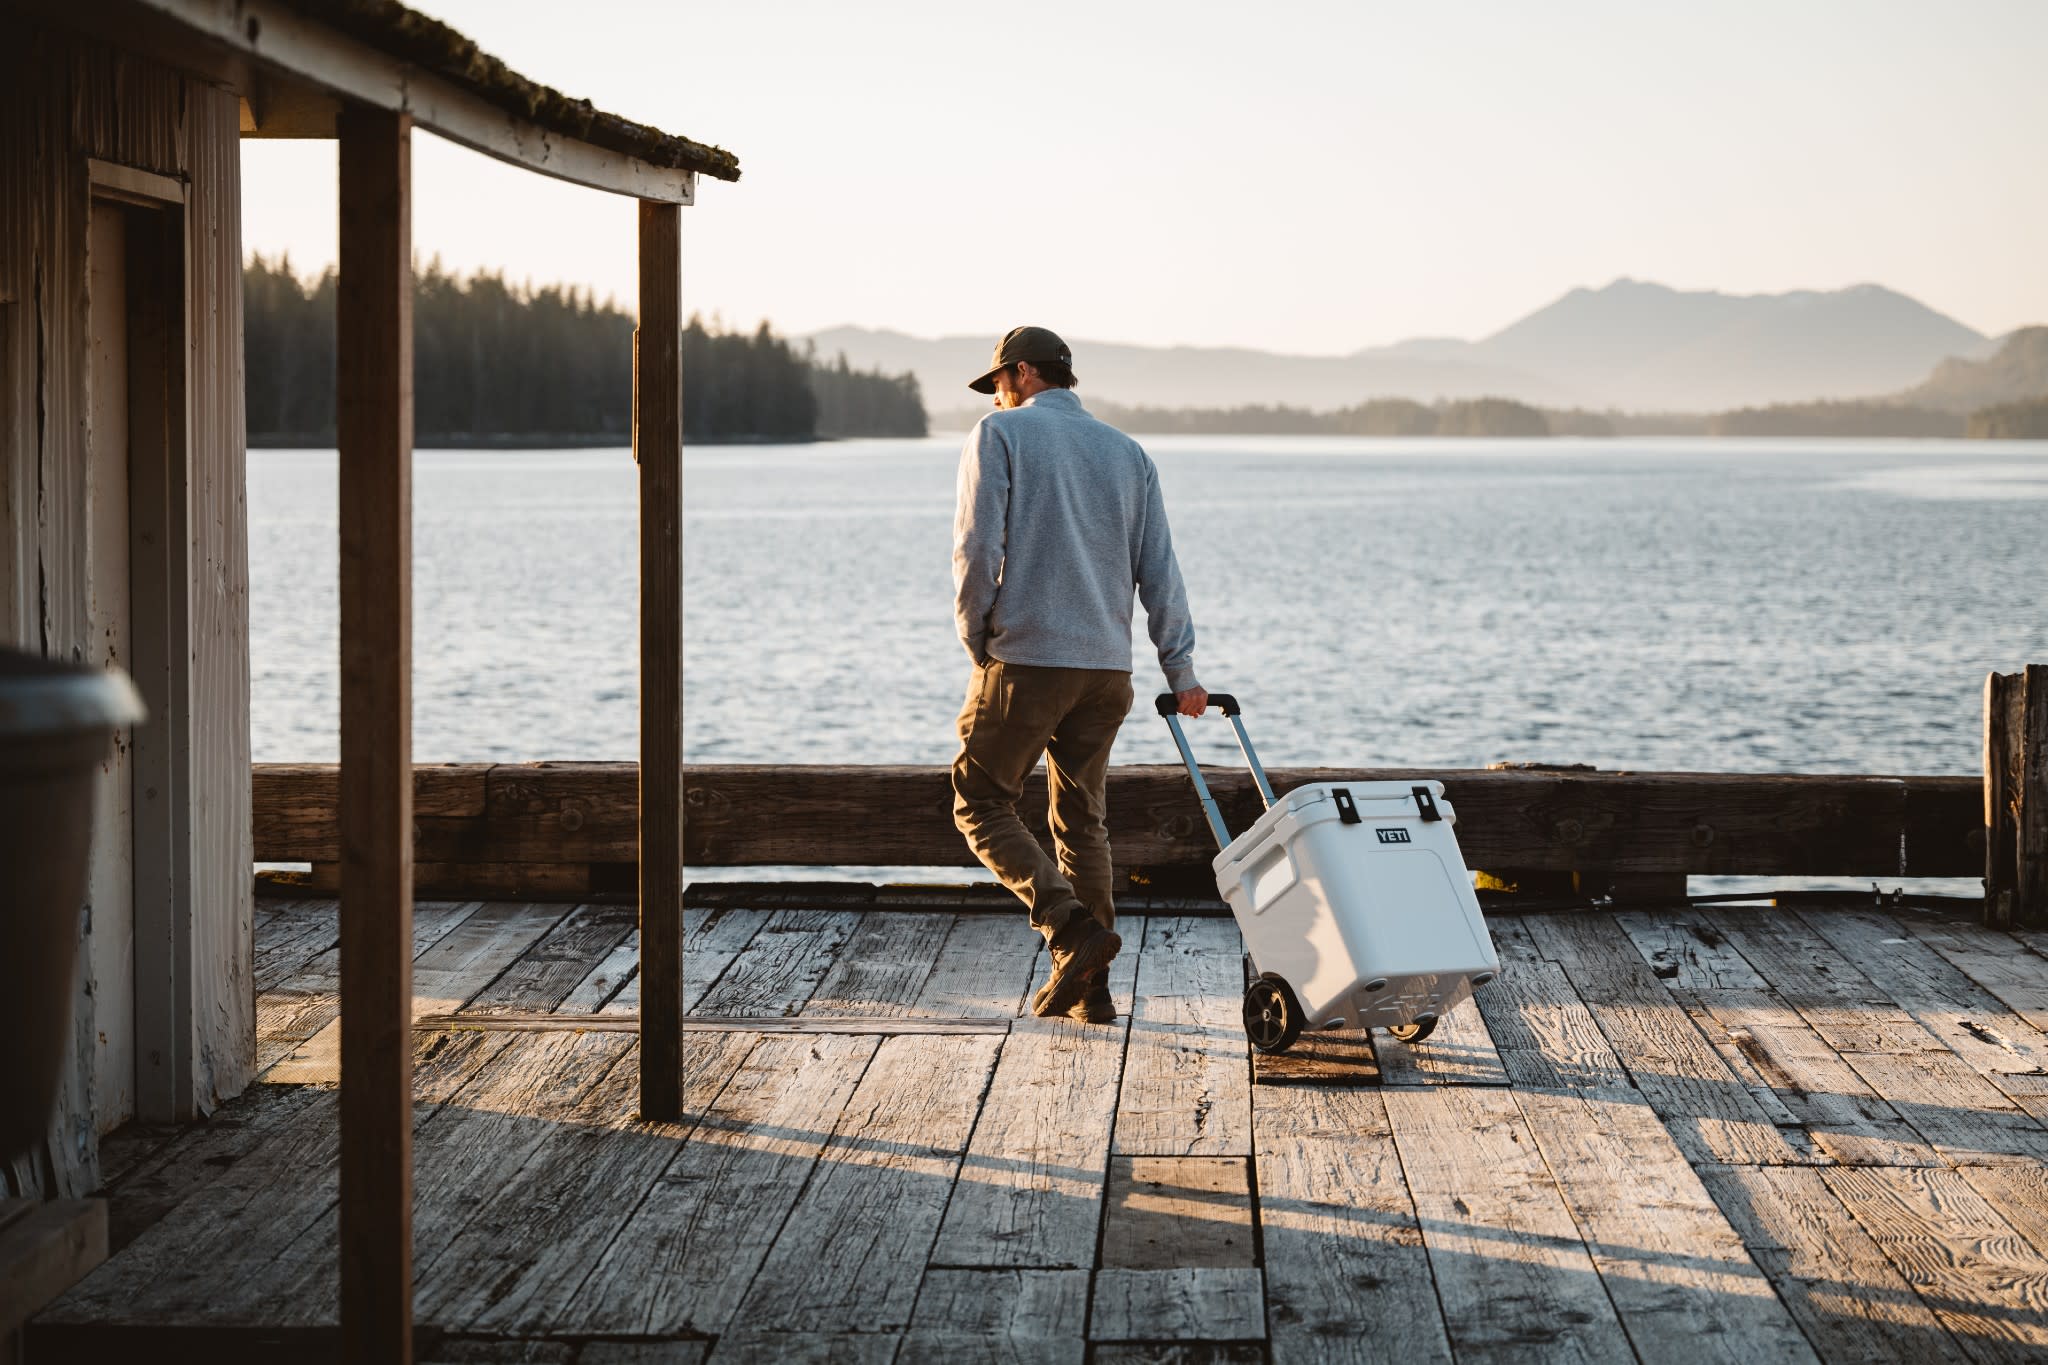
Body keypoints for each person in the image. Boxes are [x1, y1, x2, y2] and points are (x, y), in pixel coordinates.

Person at [951, 325, 1207, 1023]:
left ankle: (1069, 933)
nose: (997, 396)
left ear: (1026, 373)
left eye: (1000, 382)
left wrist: (976, 637)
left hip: (1028, 658)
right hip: (1105, 671)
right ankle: (1092, 992)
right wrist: (1179, 666)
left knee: (977, 799)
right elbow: (1161, 570)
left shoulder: (998, 436)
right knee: (1082, 822)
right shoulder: (1129, 454)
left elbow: (977, 548)